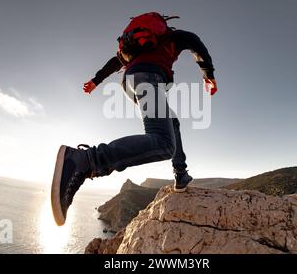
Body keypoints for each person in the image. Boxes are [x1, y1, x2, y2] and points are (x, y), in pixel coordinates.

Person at [51, 12, 217, 226]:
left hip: (130, 82)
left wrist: (95, 81)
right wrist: (208, 75)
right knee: (163, 142)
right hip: (149, 79)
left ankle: (180, 174)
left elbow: (115, 62)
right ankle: (85, 160)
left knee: (171, 124)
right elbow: (196, 43)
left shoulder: (137, 45)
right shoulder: (172, 37)